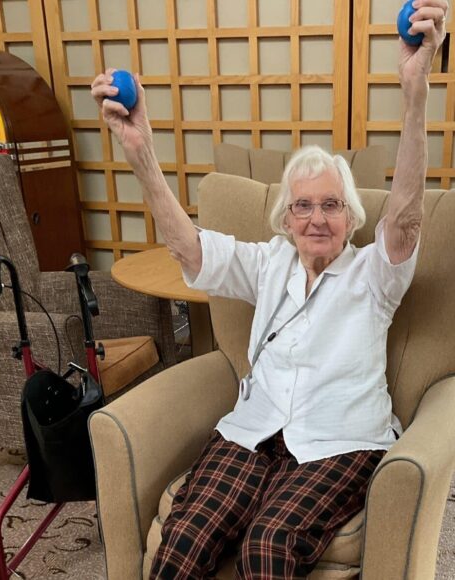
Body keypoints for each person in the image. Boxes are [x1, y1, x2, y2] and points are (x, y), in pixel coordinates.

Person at [90, 1, 447, 577]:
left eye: (331, 205)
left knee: (268, 544)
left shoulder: (373, 273)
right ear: (285, 219)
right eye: (302, 205)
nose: (316, 218)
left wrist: (415, 90)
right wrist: (141, 154)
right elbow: (191, 249)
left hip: (341, 438)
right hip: (253, 429)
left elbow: (405, 218)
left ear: (351, 216)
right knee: (184, 537)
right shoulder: (269, 263)